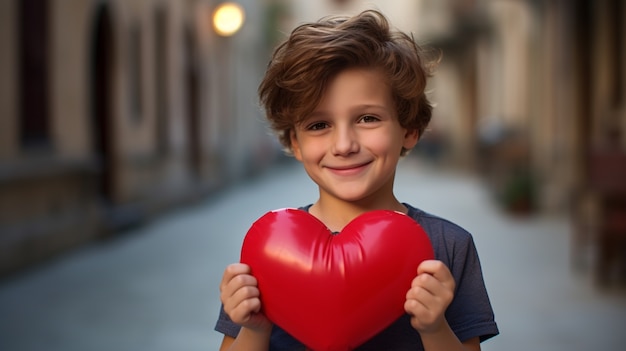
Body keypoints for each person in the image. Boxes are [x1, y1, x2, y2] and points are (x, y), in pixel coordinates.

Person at [216, 9, 499, 351]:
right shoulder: (270, 247)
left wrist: (434, 328)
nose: (345, 145)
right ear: (296, 143)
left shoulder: (448, 246)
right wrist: (254, 330)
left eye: (367, 118)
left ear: (409, 129)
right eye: (319, 125)